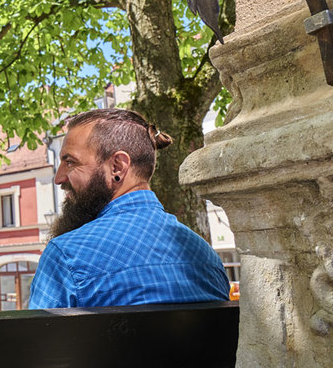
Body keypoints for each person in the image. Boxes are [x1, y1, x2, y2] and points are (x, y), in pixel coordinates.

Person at [29, 108, 230, 310]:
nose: (58, 178)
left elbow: (38, 331)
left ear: (117, 167)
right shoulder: (208, 258)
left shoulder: (66, 256)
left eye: (70, 162)